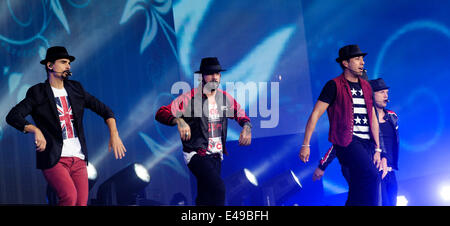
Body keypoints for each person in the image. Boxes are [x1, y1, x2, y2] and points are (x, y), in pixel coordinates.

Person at [6, 46, 127, 206]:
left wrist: (114, 134)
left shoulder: (76, 89)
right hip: (55, 158)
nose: (68, 66)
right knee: (69, 198)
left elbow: (105, 111)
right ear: (50, 65)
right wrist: (34, 129)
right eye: (63, 62)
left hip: (78, 158)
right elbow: (13, 116)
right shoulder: (38, 92)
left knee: (81, 203)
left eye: (69, 63)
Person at [155, 57, 252, 206]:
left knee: (206, 198)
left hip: (216, 155)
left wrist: (246, 127)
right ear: (202, 76)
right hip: (196, 154)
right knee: (219, 189)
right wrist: (179, 120)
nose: (214, 77)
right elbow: (161, 112)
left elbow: (241, 114)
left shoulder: (224, 98)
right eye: (210, 73)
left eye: (217, 74)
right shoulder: (190, 98)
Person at [299, 44, 384, 205]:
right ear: (345, 63)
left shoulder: (366, 86)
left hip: (367, 143)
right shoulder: (334, 85)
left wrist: (378, 148)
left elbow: (372, 116)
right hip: (347, 142)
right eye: (357, 59)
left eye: (363, 59)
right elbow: (316, 114)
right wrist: (306, 144)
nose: (362, 62)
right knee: (372, 176)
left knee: (358, 186)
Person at [369, 78, 399, 206]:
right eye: (382, 92)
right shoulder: (367, 119)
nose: (386, 96)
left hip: (391, 171)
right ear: (372, 94)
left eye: (386, 92)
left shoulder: (392, 116)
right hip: (376, 171)